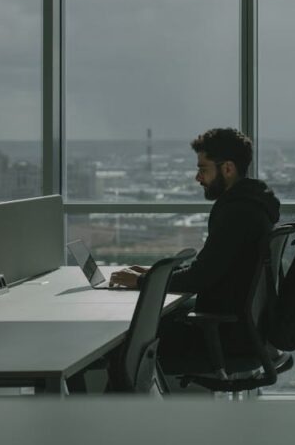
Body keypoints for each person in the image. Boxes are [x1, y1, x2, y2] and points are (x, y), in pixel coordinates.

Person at [110, 127, 280, 374]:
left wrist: (142, 281)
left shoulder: (236, 213)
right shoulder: (254, 206)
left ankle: (102, 413)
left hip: (224, 339)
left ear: (228, 169)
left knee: (123, 348)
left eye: (203, 169)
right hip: (242, 332)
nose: (198, 178)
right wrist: (156, 274)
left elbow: (200, 277)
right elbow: (210, 266)